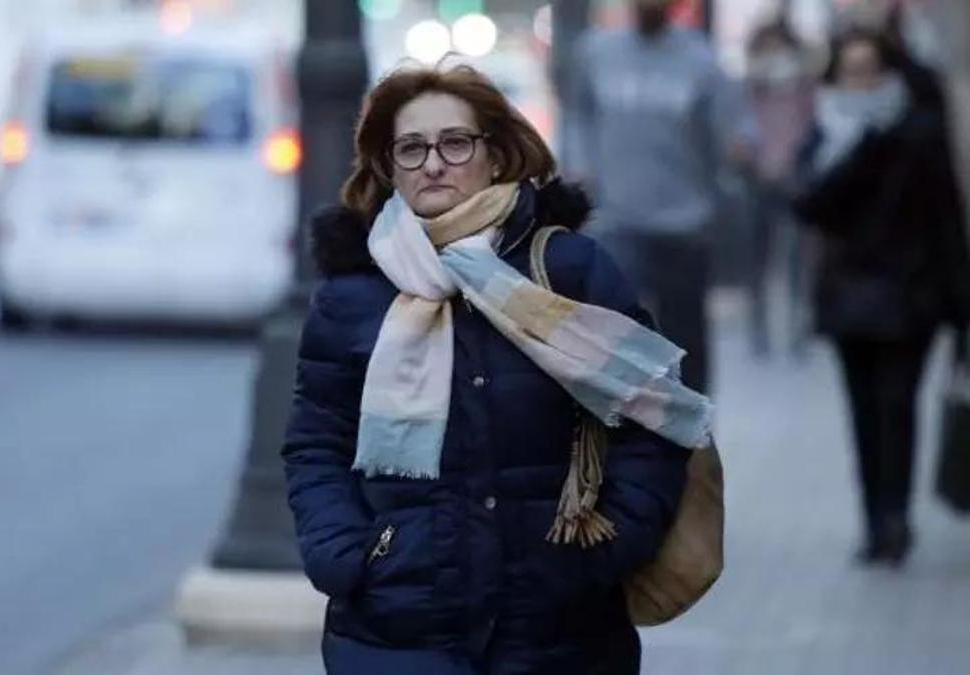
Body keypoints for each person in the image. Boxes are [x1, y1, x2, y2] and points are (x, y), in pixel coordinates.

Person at [281, 65, 714, 673]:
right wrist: (348, 555)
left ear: (496, 155)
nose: (434, 164)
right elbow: (316, 444)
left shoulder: (570, 272)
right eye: (412, 149)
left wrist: (608, 547)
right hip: (397, 624)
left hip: (559, 627)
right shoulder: (352, 296)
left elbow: (653, 415)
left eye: (455, 143)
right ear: (388, 167)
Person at [793, 28, 970, 566]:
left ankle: (895, 518)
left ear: (891, 73)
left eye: (871, 70)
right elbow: (807, 205)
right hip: (848, 297)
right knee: (863, 412)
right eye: (852, 71)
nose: (862, 82)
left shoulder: (919, 133)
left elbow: (949, 216)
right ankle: (874, 520)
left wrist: (964, 300)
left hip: (909, 296)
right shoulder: (827, 129)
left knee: (898, 406)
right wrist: (858, 147)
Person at [565, 0, 756, 394]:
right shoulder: (597, 53)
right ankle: (626, 424)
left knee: (686, 343)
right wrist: (580, 167)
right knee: (619, 338)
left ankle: (692, 424)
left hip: (685, 224)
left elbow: (737, 129)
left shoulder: (701, 60)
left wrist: (739, 150)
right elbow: (577, 118)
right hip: (617, 221)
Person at [744, 17, 818, 358]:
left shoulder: (804, 87)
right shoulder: (749, 88)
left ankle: (798, 326)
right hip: (757, 181)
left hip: (795, 180)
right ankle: (759, 327)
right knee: (759, 258)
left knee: (796, 259)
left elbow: (811, 130)